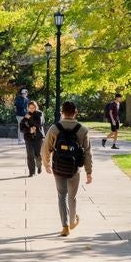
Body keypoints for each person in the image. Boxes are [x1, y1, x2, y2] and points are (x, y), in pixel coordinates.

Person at [41, 101, 93, 237]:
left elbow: (45, 148)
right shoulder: (82, 129)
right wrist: (89, 172)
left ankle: (65, 227)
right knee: (72, 196)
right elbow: (87, 152)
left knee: (61, 196)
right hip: (75, 169)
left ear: (61, 112)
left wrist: (46, 164)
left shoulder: (54, 128)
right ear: (75, 112)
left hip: (58, 167)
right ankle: (72, 221)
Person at [20, 101, 45, 177]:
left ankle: (39, 166)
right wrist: (29, 130)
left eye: (33, 108)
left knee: (38, 155)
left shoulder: (39, 114)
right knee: (30, 155)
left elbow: (39, 123)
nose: (31, 109)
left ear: (36, 107)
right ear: (27, 108)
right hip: (28, 138)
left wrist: (30, 118)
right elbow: (21, 128)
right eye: (30, 108)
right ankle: (32, 172)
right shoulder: (26, 115)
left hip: (38, 137)